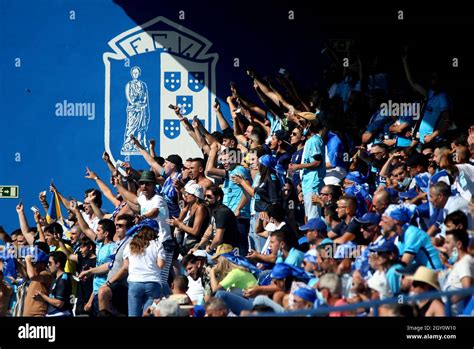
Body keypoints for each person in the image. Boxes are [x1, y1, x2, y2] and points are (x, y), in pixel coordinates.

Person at [108, 222, 166, 317]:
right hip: (153, 282)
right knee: (148, 314)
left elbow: (126, 266)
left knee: (133, 314)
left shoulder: (130, 245)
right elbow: (160, 265)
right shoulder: (157, 244)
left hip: (134, 282)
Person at [380, 205, 443, 270]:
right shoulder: (400, 238)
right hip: (424, 274)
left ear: (396, 220)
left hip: (436, 273)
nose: (380, 224)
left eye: (384, 220)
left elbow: (404, 264)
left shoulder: (412, 233)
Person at [288, 113, 326, 220]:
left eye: (302, 123)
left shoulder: (315, 140)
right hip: (307, 185)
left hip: (313, 185)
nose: (300, 126)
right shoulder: (310, 141)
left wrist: (298, 166)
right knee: (309, 218)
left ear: (309, 125)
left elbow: (317, 162)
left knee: (314, 219)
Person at [168, 183, 209, 255]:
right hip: (188, 242)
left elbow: (195, 231)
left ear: (196, 196)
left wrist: (179, 224)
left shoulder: (200, 208)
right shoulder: (190, 205)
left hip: (197, 245)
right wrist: (178, 222)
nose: (186, 195)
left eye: (189, 194)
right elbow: (183, 212)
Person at [33, 251, 73, 317]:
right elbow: (53, 299)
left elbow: (59, 303)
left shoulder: (63, 279)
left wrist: (43, 296)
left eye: (50, 263)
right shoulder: (55, 278)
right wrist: (41, 298)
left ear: (57, 264)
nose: (48, 265)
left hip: (61, 314)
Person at [443, 229, 473, 315]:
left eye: (447, 242)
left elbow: (467, 287)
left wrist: (448, 304)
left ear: (459, 244)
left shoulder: (465, 262)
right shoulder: (459, 262)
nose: (444, 246)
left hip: (449, 311)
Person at [203, 186, 241, 253]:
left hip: (227, 251)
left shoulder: (222, 212)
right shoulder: (215, 210)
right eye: (205, 196)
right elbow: (208, 232)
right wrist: (197, 246)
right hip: (219, 248)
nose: (205, 198)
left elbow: (218, 239)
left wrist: (210, 249)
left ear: (218, 198)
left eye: (209, 196)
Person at [121, 66, 150, 154]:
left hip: (142, 109)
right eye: (134, 73)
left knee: (141, 127)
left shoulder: (143, 85)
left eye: (137, 73)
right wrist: (135, 104)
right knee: (131, 127)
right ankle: (128, 144)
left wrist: (142, 104)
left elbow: (145, 97)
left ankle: (140, 144)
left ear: (139, 74)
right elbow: (128, 97)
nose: (135, 74)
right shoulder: (129, 84)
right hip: (133, 110)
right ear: (132, 74)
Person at [22, 248, 53, 317]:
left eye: (34, 264)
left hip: (38, 314)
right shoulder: (35, 274)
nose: (32, 266)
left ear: (42, 265)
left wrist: (28, 260)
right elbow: (26, 273)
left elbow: (32, 276)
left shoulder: (46, 274)